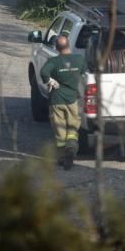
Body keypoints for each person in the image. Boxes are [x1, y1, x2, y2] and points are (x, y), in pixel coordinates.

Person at [40, 35, 88, 170]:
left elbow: (44, 72)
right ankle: (71, 149)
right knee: (73, 128)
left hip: (56, 100)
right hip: (72, 100)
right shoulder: (79, 59)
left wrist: (50, 81)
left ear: (56, 47)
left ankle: (62, 157)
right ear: (68, 45)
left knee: (60, 130)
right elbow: (85, 74)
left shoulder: (54, 61)